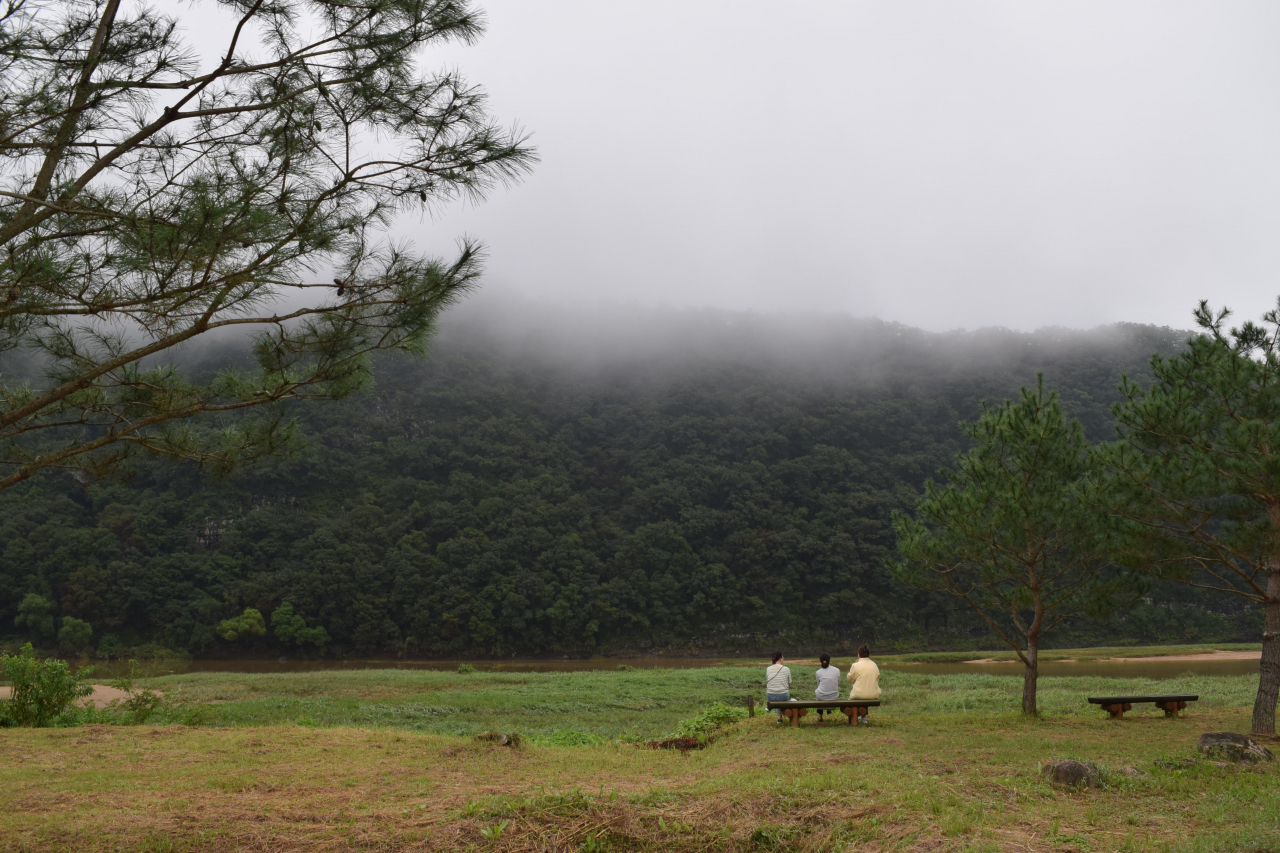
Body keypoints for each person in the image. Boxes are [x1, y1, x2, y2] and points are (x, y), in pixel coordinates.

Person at [848, 644, 880, 724]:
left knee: (857, 695)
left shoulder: (855, 665)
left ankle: (855, 718)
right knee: (866, 691)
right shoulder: (874, 665)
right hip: (873, 694)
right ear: (868, 655)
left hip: (858, 694)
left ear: (859, 655)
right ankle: (863, 717)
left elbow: (850, 678)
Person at [765, 651, 792, 722]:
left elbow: (768, 680)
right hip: (783, 696)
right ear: (780, 659)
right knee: (782, 696)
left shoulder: (768, 669)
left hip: (770, 696)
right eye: (783, 658)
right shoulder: (786, 669)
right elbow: (790, 683)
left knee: (777, 694)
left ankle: (779, 718)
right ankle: (780, 718)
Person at [813, 652, 840, 721]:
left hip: (821, 696)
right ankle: (828, 710)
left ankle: (820, 717)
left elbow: (818, 684)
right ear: (830, 660)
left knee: (818, 692)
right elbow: (838, 683)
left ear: (820, 661)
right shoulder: (837, 670)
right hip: (834, 696)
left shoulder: (818, 672)